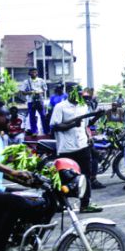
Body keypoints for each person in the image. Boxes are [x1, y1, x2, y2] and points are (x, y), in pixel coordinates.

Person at [49, 82, 104, 212]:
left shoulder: (83, 106)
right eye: (76, 93)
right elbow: (55, 126)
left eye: (80, 93)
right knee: (64, 178)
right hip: (66, 149)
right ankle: (61, 204)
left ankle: (85, 204)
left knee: (86, 176)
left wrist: (96, 117)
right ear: (68, 91)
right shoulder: (60, 107)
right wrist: (72, 125)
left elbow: (86, 125)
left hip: (82, 146)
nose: (79, 95)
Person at [0, 101, 34, 251]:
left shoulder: (0, 139)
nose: (9, 117)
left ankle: (22, 246)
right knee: (15, 202)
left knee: (33, 198)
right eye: (5, 115)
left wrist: (24, 178)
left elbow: (0, 170)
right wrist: (13, 171)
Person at [21, 68, 49, 135]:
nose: (33, 73)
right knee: (32, 116)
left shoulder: (41, 80)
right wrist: (30, 92)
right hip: (31, 101)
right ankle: (34, 132)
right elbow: (22, 92)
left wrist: (39, 92)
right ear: (29, 73)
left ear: (37, 73)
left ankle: (46, 131)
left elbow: (45, 89)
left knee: (43, 116)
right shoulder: (26, 82)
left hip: (40, 100)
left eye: (35, 72)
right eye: (32, 72)